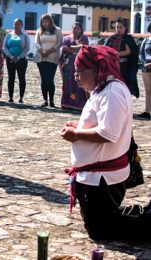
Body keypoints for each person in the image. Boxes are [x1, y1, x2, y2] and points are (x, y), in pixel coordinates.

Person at [60, 45, 151, 240]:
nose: (76, 76)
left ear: (95, 69)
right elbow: (103, 123)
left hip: (102, 177)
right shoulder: (102, 89)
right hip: (96, 175)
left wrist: (76, 134)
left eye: (79, 71)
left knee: (101, 230)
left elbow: (108, 133)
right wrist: (80, 127)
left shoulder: (112, 92)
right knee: (100, 224)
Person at [105, 19, 139, 98]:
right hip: (113, 67)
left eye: (121, 27)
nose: (118, 29)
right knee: (112, 85)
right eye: (117, 27)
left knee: (125, 86)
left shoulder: (128, 38)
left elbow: (129, 51)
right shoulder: (111, 38)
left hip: (125, 68)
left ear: (125, 28)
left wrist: (116, 54)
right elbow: (105, 49)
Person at [35, 14, 63, 107]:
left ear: (50, 21)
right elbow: (36, 43)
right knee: (43, 79)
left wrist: (50, 51)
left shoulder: (57, 30)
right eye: (43, 21)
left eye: (46, 21)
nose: (44, 23)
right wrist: (41, 52)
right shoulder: (39, 31)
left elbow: (60, 42)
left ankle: (51, 100)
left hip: (53, 57)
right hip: (41, 57)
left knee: (50, 79)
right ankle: (45, 100)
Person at [59, 22, 89, 110]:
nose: (75, 30)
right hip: (68, 66)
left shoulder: (84, 38)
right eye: (73, 28)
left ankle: (78, 104)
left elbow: (83, 48)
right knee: (68, 84)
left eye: (77, 28)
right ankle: (67, 103)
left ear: (81, 30)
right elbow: (64, 48)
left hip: (80, 66)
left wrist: (71, 48)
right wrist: (76, 49)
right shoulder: (67, 38)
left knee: (79, 84)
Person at [2, 18, 30, 103]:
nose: (16, 26)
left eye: (18, 24)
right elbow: (5, 47)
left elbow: (27, 48)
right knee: (11, 78)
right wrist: (11, 56)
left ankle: (21, 97)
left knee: (21, 78)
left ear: (22, 25)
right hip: (10, 60)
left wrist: (18, 57)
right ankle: (10, 97)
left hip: (22, 60)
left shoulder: (25, 36)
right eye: (14, 24)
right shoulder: (9, 35)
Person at [138, 23, 151, 119]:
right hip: (146, 68)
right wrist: (144, 63)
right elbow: (141, 54)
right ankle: (147, 111)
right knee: (148, 91)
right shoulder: (146, 40)